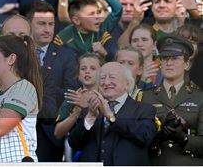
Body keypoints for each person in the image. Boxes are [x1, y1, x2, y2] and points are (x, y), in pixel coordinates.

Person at [68, 62, 157, 165]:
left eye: (112, 77)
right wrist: (90, 117)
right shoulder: (91, 108)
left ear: (127, 84)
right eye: (102, 78)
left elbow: (145, 137)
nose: (106, 82)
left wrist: (111, 116)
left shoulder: (144, 109)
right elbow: (74, 143)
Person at [27, 1, 78, 162]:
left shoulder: (67, 55)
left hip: (51, 133)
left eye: (51, 24)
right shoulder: (18, 54)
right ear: (29, 25)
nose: (48, 29)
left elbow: (70, 92)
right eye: (41, 24)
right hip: (17, 130)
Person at [141, 35, 203, 165]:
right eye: (164, 58)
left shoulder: (200, 97)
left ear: (187, 64)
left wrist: (184, 138)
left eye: (175, 58)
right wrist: (158, 135)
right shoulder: (145, 97)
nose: (169, 63)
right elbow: (138, 138)